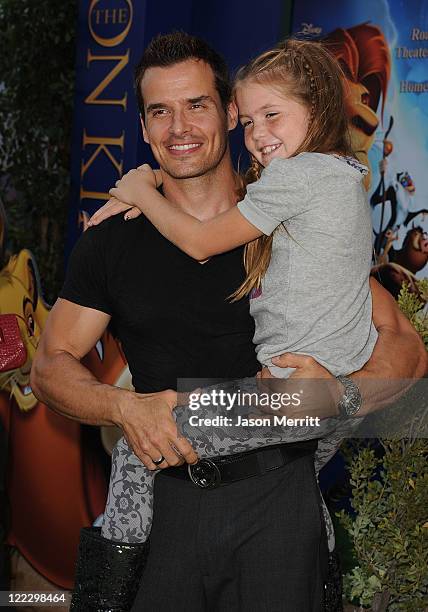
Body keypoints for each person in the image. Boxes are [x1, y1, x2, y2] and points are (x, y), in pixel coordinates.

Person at [30, 32, 426, 612]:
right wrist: (123, 407)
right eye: (160, 111)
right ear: (143, 128)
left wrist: (337, 394)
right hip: (166, 508)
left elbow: (407, 349)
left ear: (227, 111)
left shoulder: (288, 218)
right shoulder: (113, 242)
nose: (179, 128)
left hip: (280, 502)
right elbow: (49, 367)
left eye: (196, 105)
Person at [89, 36, 379, 555]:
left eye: (272, 115)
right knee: (284, 480)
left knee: (141, 448)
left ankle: (105, 592)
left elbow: (200, 243)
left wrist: (140, 192)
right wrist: (160, 172)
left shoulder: (294, 177)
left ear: (317, 110)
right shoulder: (341, 174)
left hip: (296, 390)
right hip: (322, 387)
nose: (258, 135)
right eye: (248, 121)